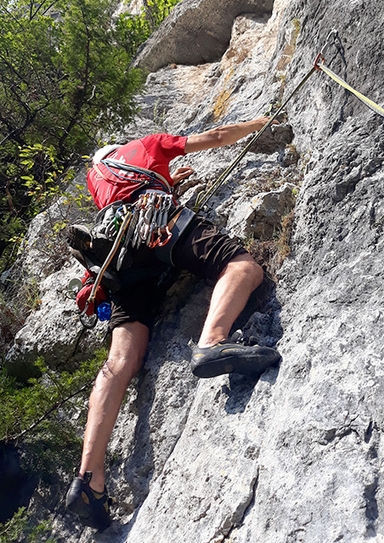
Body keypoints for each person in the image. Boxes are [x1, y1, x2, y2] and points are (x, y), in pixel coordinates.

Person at [65, 117, 281, 531]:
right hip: (154, 222)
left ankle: (88, 478)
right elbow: (215, 138)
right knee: (241, 266)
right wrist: (261, 120)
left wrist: (167, 182)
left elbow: (128, 194)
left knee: (120, 361)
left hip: (115, 253)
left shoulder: (101, 184)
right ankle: (213, 341)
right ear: (119, 148)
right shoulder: (144, 146)